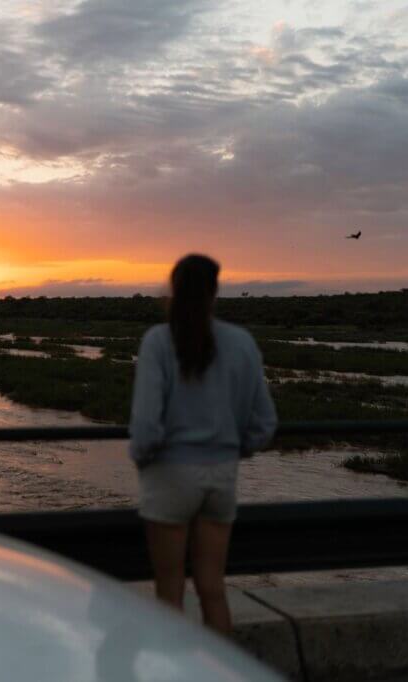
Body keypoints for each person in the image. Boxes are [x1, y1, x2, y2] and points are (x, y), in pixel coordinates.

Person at [129, 254, 277, 635]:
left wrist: (143, 459)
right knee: (213, 589)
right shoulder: (242, 343)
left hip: (169, 477)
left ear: (173, 291)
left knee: (169, 593)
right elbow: (265, 422)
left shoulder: (158, 342)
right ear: (215, 292)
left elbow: (145, 424)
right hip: (221, 476)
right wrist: (235, 449)